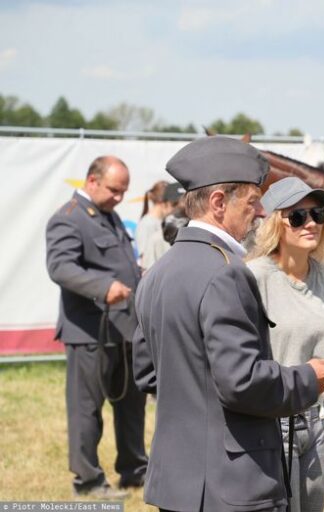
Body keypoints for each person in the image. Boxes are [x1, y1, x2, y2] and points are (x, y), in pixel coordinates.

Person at [132, 136, 324, 512]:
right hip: (231, 485)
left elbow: (149, 374)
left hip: (177, 484)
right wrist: (309, 378)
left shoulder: (157, 273)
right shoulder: (226, 273)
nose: (261, 212)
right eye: (251, 201)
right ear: (218, 203)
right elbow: (241, 382)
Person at [247, 177, 324, 512]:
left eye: (318, 214)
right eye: (298, 216)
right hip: (271, 421)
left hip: (318, 419)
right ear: (274, 223)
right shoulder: (253, 276)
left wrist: (319, 364)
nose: (311, 223)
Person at [45, 155, 148, 499]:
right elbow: (60, 267)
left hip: (124, 331)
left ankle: (135, 472)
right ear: (92, 181)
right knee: (87, 411)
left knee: (131, 406)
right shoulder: (69, 219)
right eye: (115, 190)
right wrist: (104, 288)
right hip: (90, 334)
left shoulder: (111, 216)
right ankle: (87, 483)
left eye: (124, 192)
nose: (120, 197)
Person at [141, 182, 185, 268]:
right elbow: (147, 270)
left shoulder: (196, 234)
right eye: (175, 204)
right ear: (164, 205)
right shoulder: (155, 237)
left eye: (183, 205)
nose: (179, 210)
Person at [135, 180, 170, 269]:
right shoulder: (147, 224)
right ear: (164, 203)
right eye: (174, 204)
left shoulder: (162, 221)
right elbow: (145, 259)